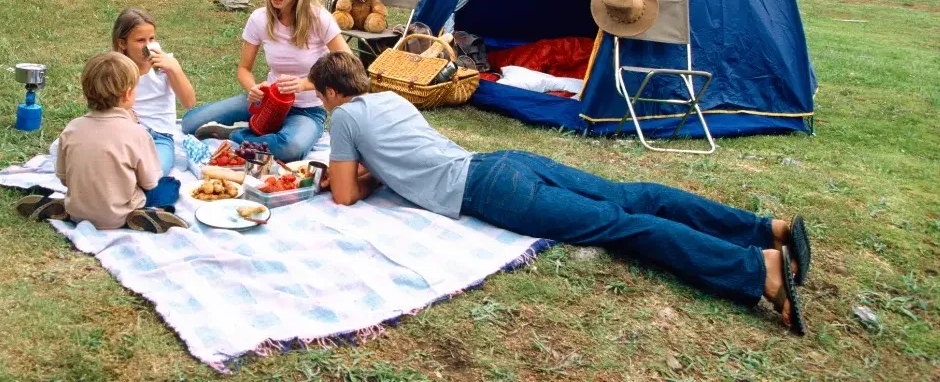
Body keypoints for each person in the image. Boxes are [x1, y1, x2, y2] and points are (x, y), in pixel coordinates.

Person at [307, 51, 814, 335]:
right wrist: (376, 172)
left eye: (321, 98)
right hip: (504, 162)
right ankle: (765, 229)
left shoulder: (346, 117)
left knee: (621, 226)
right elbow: (403, 159)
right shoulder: (392, 98)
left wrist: (347, 175)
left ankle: (758, 270)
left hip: (486, 189)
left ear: (331, 93)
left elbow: (346, 197)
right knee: (631, 196)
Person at [180, 0, 352, 161]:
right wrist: (252, 88)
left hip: (306, 110)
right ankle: (259, 134)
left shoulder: (319, 19)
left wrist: (304, 84)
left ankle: (236, 135)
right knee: (189, 123)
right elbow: (244, 69)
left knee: (290, 148)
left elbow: (348, 65)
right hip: (267, 101)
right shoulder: (259, 18)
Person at [16, 52, 189, 234]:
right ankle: (140, 214)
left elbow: (64, 179)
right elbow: (150, 182)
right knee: (170, 186)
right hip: (119, 212)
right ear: (128, 93)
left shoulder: (72, 128)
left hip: (77, 210)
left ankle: (68, 209)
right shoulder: (137, 133)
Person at [110, 7, 208, 172]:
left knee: (155, 172)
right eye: (140, 40)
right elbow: (109, 106)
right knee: (113, 168)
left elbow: (189, 102)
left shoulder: (165, 63)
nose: (148, 46)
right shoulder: (115, 68)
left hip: (160, 136)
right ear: (122, 43)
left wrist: (174, 69)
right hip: (126, 132)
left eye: (152, 39)